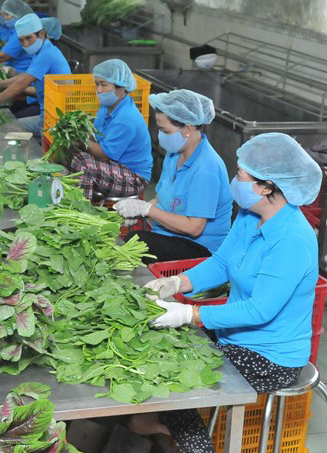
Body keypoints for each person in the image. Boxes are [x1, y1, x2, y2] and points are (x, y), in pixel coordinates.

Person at [129, 132, 322, 453]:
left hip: (270, 356)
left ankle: (194, 446)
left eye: (240, 176)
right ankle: (157, 427)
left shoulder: (292, 240)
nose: (235, 181)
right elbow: (221, 263)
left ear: (266, 186)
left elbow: (259, 310)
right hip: (233, 335)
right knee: (165, 348)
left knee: (180, 375)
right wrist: (177, 283)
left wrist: (190, 313)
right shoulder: (250, 216)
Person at [115, 90, 232, 263]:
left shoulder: (206, 167)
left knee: (137, 242)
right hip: (171, 235)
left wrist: (147, 210)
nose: (160, 136)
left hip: (200, 248)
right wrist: (138, 210)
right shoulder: (174, 155)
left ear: (187, 129)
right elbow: (162, 198)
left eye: (165, 131)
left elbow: (194, 228)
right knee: (132, 243)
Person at [68, 59, 152, 200]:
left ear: (121, 88)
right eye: (97, 84)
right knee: (71, 152)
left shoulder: (126, 118)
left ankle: (81, 207)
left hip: (134, 177)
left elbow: (104, 154)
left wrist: (81, 140)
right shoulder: (106, 107)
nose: (98, 90)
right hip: (116, 166)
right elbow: (95, 135)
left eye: (104, 85)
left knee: (83, 162)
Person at [0, 14, 70, 138]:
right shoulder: (40, 51)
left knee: (10, 128)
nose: (26, 44)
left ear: (42, 34)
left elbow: (23, 82)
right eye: (21, 40)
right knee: (12, 126)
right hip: (47, 113)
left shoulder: (47, 53)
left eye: (29, 38)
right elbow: (24, 76)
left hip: (55, 119)